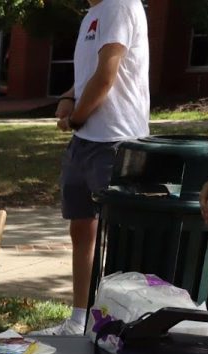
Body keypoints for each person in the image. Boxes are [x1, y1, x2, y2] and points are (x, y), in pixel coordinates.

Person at [33, 0, 149, 336]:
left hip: (117, 142)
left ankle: (122, 326)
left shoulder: (120, 5)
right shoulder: (92, 15)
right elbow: (88, 78)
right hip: (84, 143)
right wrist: (69, 96)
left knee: (123, 238)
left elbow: (106, 75)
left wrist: (76, 118)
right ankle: (78, 321)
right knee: (81, 231)